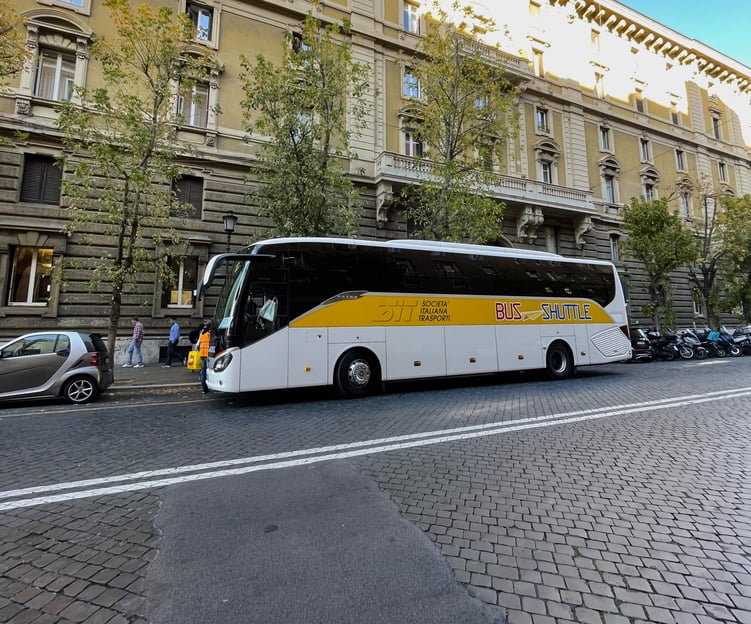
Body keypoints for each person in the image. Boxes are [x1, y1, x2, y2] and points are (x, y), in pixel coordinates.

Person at [197, 319, 212, 395]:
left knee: (203, 371)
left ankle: (204, 389)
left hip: (202, 354)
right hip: (207, 354)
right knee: (209, 370)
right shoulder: (209, 333)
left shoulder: (202, 332)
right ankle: (209, 385)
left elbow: (198, 344)